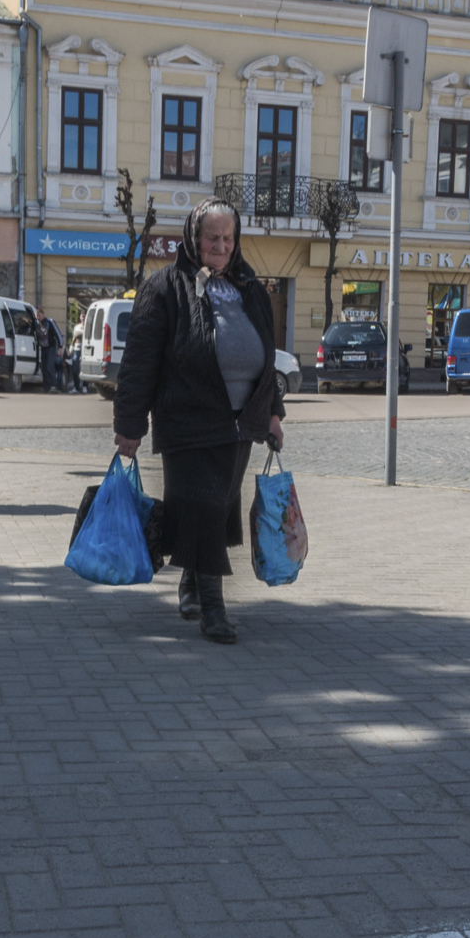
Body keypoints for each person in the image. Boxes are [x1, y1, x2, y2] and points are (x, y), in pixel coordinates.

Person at [114, 199, 285, 645]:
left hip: (240, 424)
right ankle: (213, 609)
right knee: (206, 508)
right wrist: (130, 425)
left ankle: (191, 585)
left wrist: (273, 413)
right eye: (213, 237)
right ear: (194, 237)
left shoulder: (250, 288)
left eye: (228, 238)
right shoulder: (165, 288)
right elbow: (139, 363)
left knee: (216, 507)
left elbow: (268, 359)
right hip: (187, 421)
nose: (221, 246)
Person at [36, 305, 66, 393]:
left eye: (39, 315)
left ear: (43, 314)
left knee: (50, 366)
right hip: (43, 348)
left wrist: (60, 347)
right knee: (44, 368)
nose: (38, 317)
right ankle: (47, 387)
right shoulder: (36, 323)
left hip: (51, 347)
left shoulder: (50, 322)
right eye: (36, 316)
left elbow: (58, 334)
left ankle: (54, 386)